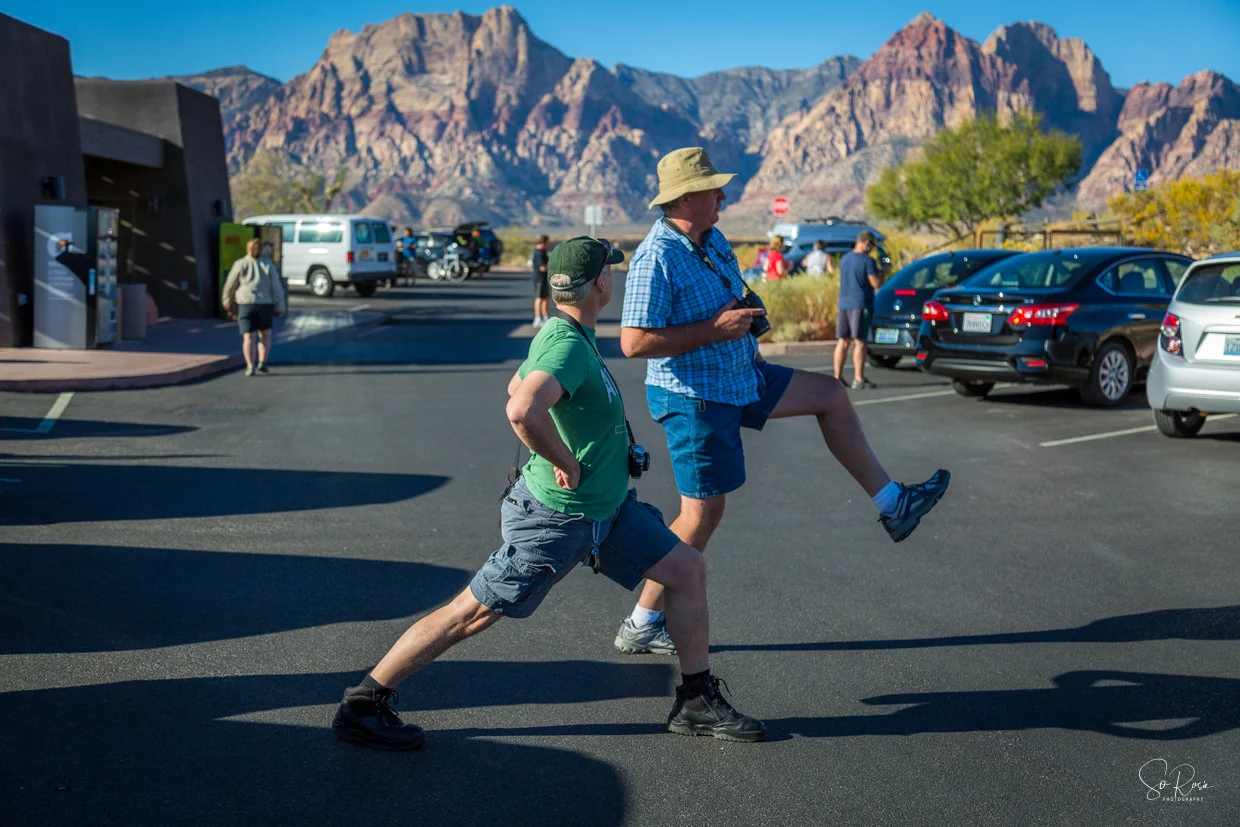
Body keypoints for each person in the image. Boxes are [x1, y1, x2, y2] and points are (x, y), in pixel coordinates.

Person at [331, 236, 766, 750]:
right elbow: (520, 410)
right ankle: (363, 703)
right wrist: (563, 460)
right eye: (611, 271)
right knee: (472, 613)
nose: (615, 278)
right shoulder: (565, 343)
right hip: (557, 520)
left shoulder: (565, 334)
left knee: (686, 569)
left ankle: (696, 701)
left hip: (609, 512)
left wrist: (577, 444)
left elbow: (518, 387)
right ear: (601, 283)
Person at [615, 147, 949, 655]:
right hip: (696, 396)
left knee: (832, 394)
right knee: (701, 515)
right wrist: (714, 329)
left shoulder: (712, 238)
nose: (724, 195)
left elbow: (729, 294)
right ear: (685, 198)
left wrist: (747, 310)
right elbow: (633, 342)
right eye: (713, 188)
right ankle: (642, 623)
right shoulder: (656, 256)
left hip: (742, 375)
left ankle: (893, 504)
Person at [222, 238, 286, 376]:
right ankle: (262, 361)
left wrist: (226, 301)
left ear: (247, 249)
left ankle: (250, 365)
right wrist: (281, 305)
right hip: (264, 304)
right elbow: (276, 287)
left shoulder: (240, 264)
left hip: (246, 303)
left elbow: (230, 284)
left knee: (248, 337)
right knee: (265, 334)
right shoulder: (268, 265)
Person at [834, 231, 883, 390]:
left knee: (843, 340)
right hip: (860, 304)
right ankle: (858, 378)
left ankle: (837, 377)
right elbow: (875, 283)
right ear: (867, 242)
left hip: (844, 304)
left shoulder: (845, 259)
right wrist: (882, 273)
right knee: (860, 341)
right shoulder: (868, 261)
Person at [531, 234, 550, 327]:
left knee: (545, 297)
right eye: (547, 242)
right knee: (539, 298)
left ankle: (546, 317)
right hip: (539, 278)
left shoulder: (542, 251)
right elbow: (542, 267)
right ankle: (538, 318)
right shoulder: (539, 253)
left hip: (543, 278)